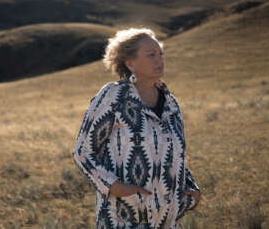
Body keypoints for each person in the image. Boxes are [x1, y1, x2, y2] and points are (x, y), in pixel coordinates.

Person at [73, 28, 201, 228]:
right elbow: (83, 151)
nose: (159, 59)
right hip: (124, 218)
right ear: (130, 63)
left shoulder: (170, 103)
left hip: (167, 218)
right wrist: (114, 187)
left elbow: (174, 152)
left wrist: (190, 187)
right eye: (151, 55)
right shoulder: (114, 96)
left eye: (161, 54)